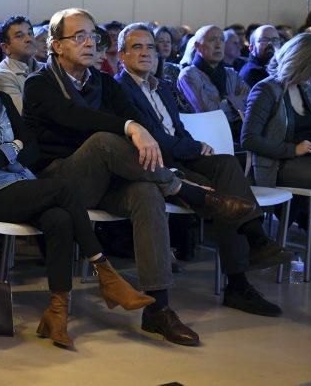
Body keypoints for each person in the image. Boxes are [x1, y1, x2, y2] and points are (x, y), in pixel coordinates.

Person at [23, 8, 258, 346]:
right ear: (57, 46)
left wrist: (135, 126)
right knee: (104, 140)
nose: (90, 42)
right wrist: (129, 127)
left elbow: (136, 117)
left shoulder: (102, 81)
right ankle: (189, 193)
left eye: (93, 35)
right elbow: (75, 117)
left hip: (107, 180)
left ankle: (159, 308)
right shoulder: (39, 83)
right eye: (79, 37)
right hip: (62, 182)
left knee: (147, 193)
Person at [0, 28, 156, 349]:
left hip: (23, 185)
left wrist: (2, 149)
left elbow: (33, 150)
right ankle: (105, 274)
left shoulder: (1, 100)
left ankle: (57, 314)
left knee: (59, 220)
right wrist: (15, 145)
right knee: (64, 190)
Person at [115, 23, 290, 316]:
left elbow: (178, 130)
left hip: (181, 156)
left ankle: (253, 243)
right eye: (137, 47)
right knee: (223, 189)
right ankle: (242, 273)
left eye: (150, 47)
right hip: (155, 166)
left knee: (227, 162)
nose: (146, 53)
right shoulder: (119, 90)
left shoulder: (162, 88)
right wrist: (194, 148)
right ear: (121, 55)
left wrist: (196, 145)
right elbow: (153, 140)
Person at [242, 33, 311, 236]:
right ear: (302, 63)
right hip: (278, 164)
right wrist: (294, 149)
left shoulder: (306, 89)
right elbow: (248, 138)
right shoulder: (266, 89)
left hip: (307, 160)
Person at [178, 25, 250, 138]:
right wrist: (234, 102)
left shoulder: (231, 73)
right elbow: (208, 114)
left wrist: (225, 102)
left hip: (238, 133)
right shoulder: (189, 74)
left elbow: (249, 104)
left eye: (222, 40)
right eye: (212, 40)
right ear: (197, 46)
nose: (218, 45)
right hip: (207, 137)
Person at [0, 15, 42, 114]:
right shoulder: (0, 77)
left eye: (30, 33)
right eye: (19, 36)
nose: (28, 39)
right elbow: (25, 117)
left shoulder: (46, 68)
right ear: (5, 48)